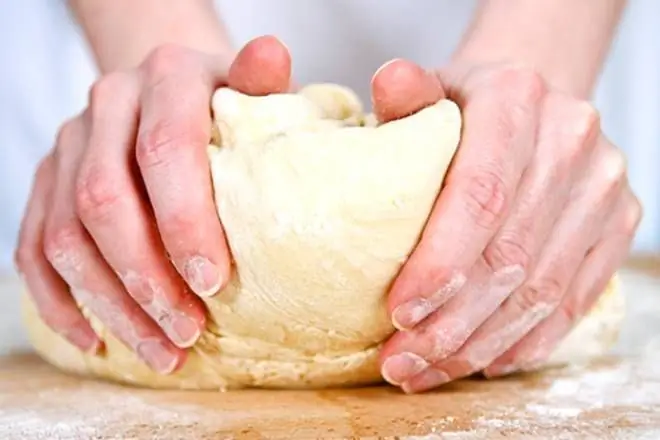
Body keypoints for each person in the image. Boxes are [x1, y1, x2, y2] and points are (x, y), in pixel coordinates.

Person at [3, 0, 648, 394]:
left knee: (514, 221)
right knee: (133, 223)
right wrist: (153, 50)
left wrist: (535, 62)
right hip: (118, 112)